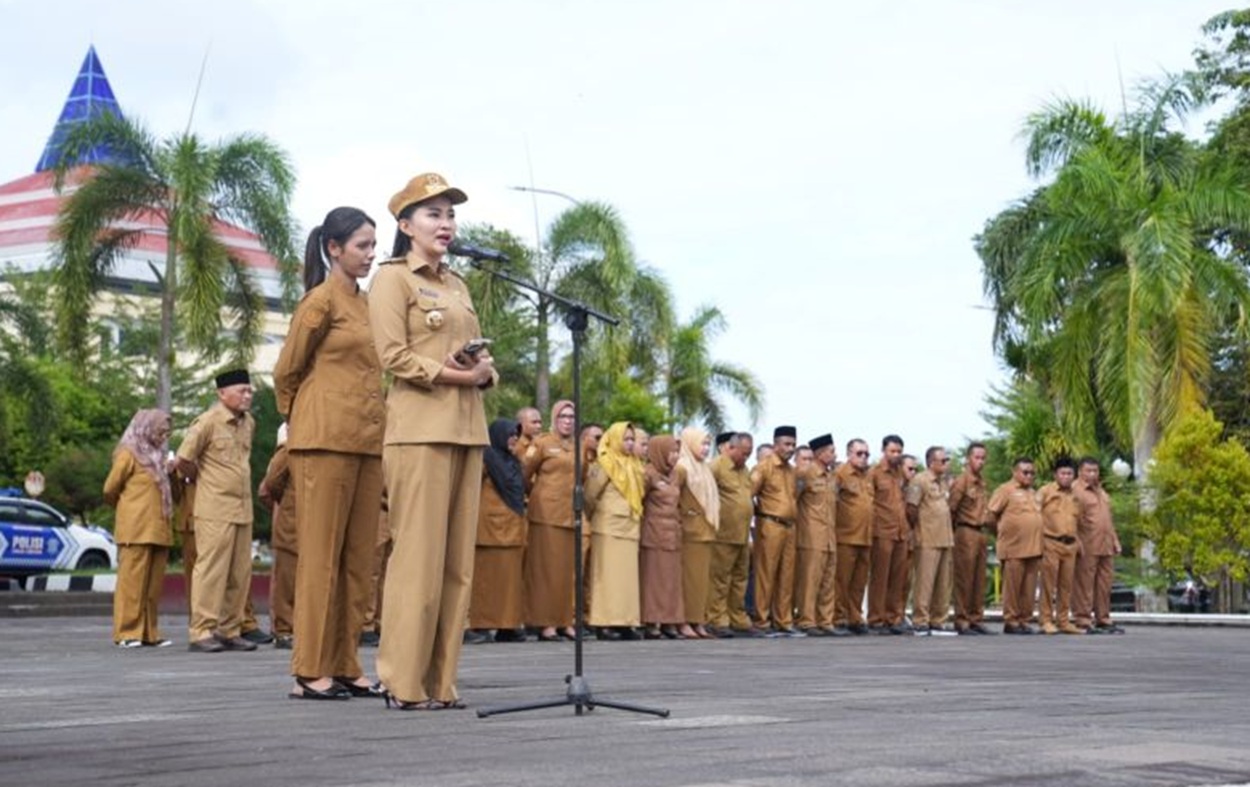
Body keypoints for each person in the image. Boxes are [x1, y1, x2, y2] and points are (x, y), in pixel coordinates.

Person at [367, 172, 495, 710]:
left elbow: (475, 354)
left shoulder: (458, 285)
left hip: (467, 430)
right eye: (433, 214)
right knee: (417, 561)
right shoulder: (392, 280)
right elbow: (392, 356)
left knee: (456, 568)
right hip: (419, 432)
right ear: (405, 225)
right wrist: (458, 376)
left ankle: (442, 683)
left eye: (450, 215)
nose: (446, 224)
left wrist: (482, 370)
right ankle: (402, 681)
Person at [274, 206, 385, 700]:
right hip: (322, 442)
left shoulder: (368, 303)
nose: (370, 254)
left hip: (366, 441)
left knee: (359, 560)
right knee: (319, 558)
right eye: (362, 245)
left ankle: (345, 662)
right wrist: (301, 419)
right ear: (333, 249)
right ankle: (309, 668)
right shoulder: (319, 302)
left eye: (373, 244)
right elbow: (286, 371)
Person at [176, 369, 258, 653]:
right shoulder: (207, 422)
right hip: (214, 508)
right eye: (241, 390)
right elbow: (183, 459)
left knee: (239, 572)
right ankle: (201, 631)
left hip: (242, 507)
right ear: (222, 394)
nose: (247, 396)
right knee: (211, 570)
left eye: (249, 390)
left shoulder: (249, 423)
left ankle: (229, 630)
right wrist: (202, 479)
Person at [103, 409, 175, 648]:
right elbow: (110, 489)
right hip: (135, 529)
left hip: (159, 529)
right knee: (131, 585)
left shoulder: (158, 457)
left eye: (166, 433)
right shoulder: (128, 453)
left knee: (152, 587)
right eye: (160, 431)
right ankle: (126, 633)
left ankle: (148, 633)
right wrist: (129, 508)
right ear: (147, 428)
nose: (163, 437)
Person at [467, 419, 529, 643]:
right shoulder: (485, 458)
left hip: (513, 526)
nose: (514, 439)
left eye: (516, 435)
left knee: (509, 582)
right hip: (489, 529)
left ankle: (507, 624)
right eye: (510, 434)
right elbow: (471, 487)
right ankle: (480, 624)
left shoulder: (513, 461)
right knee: (485, 580)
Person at [523, 400, 579, 642]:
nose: (568, 421)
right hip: (545, 516)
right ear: (555, 419)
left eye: (571, 417)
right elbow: (524, 473)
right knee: (545, 571)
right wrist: (540, 495)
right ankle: (545, 623)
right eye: (563, 416)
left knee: (566, 573)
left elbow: (583, 478)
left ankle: (564, 620)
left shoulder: (578, 446)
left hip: (569, 515)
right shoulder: (542, 443)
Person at [586, 422, 645, 640]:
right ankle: (604, 623)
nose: (629, 443)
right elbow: (590, 495)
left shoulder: (635, 464)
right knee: (607, 578)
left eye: (632, 439)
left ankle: (625, 622)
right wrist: (597, 516)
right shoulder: (604, 462)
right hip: (608, 527)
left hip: (630, 526)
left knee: (627, 580)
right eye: (625, 439)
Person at [751, 426, 799, 635]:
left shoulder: (792, 470)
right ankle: (761, 621)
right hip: (770, 524)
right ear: (776, 445)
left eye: (793, 445)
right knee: (766, 574)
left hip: (790, 527)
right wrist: (760, 516)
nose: (791, 448)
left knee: (787, 576)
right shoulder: (764, 467)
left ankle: (783, 621)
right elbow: (748, 494)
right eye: (787, 444)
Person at [988, 457, 1044, 635]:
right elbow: (990, 515)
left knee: (1028, 589)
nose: (1029, 476)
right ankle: (1011, 621)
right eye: (1025, 472)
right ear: (1014, 472)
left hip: (1034, 548)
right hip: (1013, 548)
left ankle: (1024, 620)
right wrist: (1002, 533)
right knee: (1012, 588)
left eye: (1032, 473)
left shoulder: (1033, 493)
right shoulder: (1005, 490)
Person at [707, 432, 755, 637]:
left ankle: (737, 618)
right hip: (724, 534)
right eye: (744, 453)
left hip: (742, 534)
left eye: (749, 454)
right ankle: (717, 619)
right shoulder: (716, 466)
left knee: (740, 578)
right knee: (720, 579)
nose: (746, 457)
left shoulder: (745, 470)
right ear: (731, 448)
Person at [640, 434, 685, 638]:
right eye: (671, 452)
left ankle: (669, 620)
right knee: (654, 580)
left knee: (671, 580)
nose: (675, 456)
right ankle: (651, 621)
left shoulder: (676, 475)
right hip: (654, 532)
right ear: (660, 452)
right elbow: (639, 500)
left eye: (677, 452)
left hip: (672, 533)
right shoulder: (648, 473)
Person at [676, 426, 720, 639]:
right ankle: (684, 621)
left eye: (708, 444)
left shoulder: (704, 468)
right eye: (702, 443)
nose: (705, 448)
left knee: (702, 582)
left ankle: (698, 620)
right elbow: (674, 499)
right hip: (690, 533)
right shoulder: (682, 467)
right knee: (689, 580)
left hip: (706, 531)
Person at [1072, 457, 1124, 634]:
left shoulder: (1101, 491)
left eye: (1095, 471)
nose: (1092, 474)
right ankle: (1083, 619)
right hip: (1088, 544)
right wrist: (1076, 542)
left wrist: (1115, 540)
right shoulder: (1076, 491)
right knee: (1084, 584)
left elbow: (1107, 520)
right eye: (1088, 471)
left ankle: (1103, 618)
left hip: (1105, 545)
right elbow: (1073, 520)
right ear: (1080, 472)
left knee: (1104, 585)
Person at [905, 446, 954, 635]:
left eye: (947, 460)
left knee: (943, 584)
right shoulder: (920, 480)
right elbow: (911, 508)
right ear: (931, 462)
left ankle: (938, 620)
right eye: (943, 461)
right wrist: (919, 529)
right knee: (924, 583)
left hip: (945, 537)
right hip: (927, 538)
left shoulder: (943, 482)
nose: (946, 464)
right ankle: (921, 620)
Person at [257, 423, 297, 649]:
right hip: (291, 524)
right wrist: (288, 502)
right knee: (287, 581)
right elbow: (270, 484)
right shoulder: (288, 448)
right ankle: (283, 631)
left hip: (312, 524)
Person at [794, 434, 839, 636]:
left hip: (829, 535)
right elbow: (793, 499)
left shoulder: (831, 476)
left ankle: (825, 621)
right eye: (831, 451)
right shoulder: (805, 474)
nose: (834, 454)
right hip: (811, 536)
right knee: (810, 581)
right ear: (820, 453)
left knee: (828, 581)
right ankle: (807, 620)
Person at [949, 442, 993, 635]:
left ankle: (976, 618)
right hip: (966, 530)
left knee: (979, 578)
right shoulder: (962, 481)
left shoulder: (981, 482)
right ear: (968, 459)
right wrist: (954, 533)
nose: (980, 461)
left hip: (981, 532)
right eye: (977, 457)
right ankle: (962, 619)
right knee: (964, 578)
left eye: (983, 458)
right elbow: (952, 508)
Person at [1037, 457, 1084, 635]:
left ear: (1074, 475)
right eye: (1062, 473)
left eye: (1069, 473)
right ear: (1055, 474)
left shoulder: (1076, 496)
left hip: (1070, 544)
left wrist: (1078, 542)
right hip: (1051, 541)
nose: (1066, 477)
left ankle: (1063, 620)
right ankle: (1046, 620)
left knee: (1066, 585)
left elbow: (1078, 521)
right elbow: (1034, 515)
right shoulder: (1045, 492)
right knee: (1048, 584)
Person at [868, 435, 909, 635]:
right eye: (892, 451)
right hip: (882, 531)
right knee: (880, 578)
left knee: (898, 578)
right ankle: (876, 619)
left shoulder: (900, 473)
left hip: (901, 532)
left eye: (899, 451)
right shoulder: (875, 473)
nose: (896, 455)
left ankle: (893, 618)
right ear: (883, 450)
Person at [833, 438, 873, 635]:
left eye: (866, 454)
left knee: (859, 582)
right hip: (846, 535)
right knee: (842, 580)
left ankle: (854, 616)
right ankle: (839, 617)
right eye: (859, 453)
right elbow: (831, 501)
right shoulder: (840, 474)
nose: (863, 457)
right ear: (849, 454)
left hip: (865, 536)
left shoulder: (868, 476)